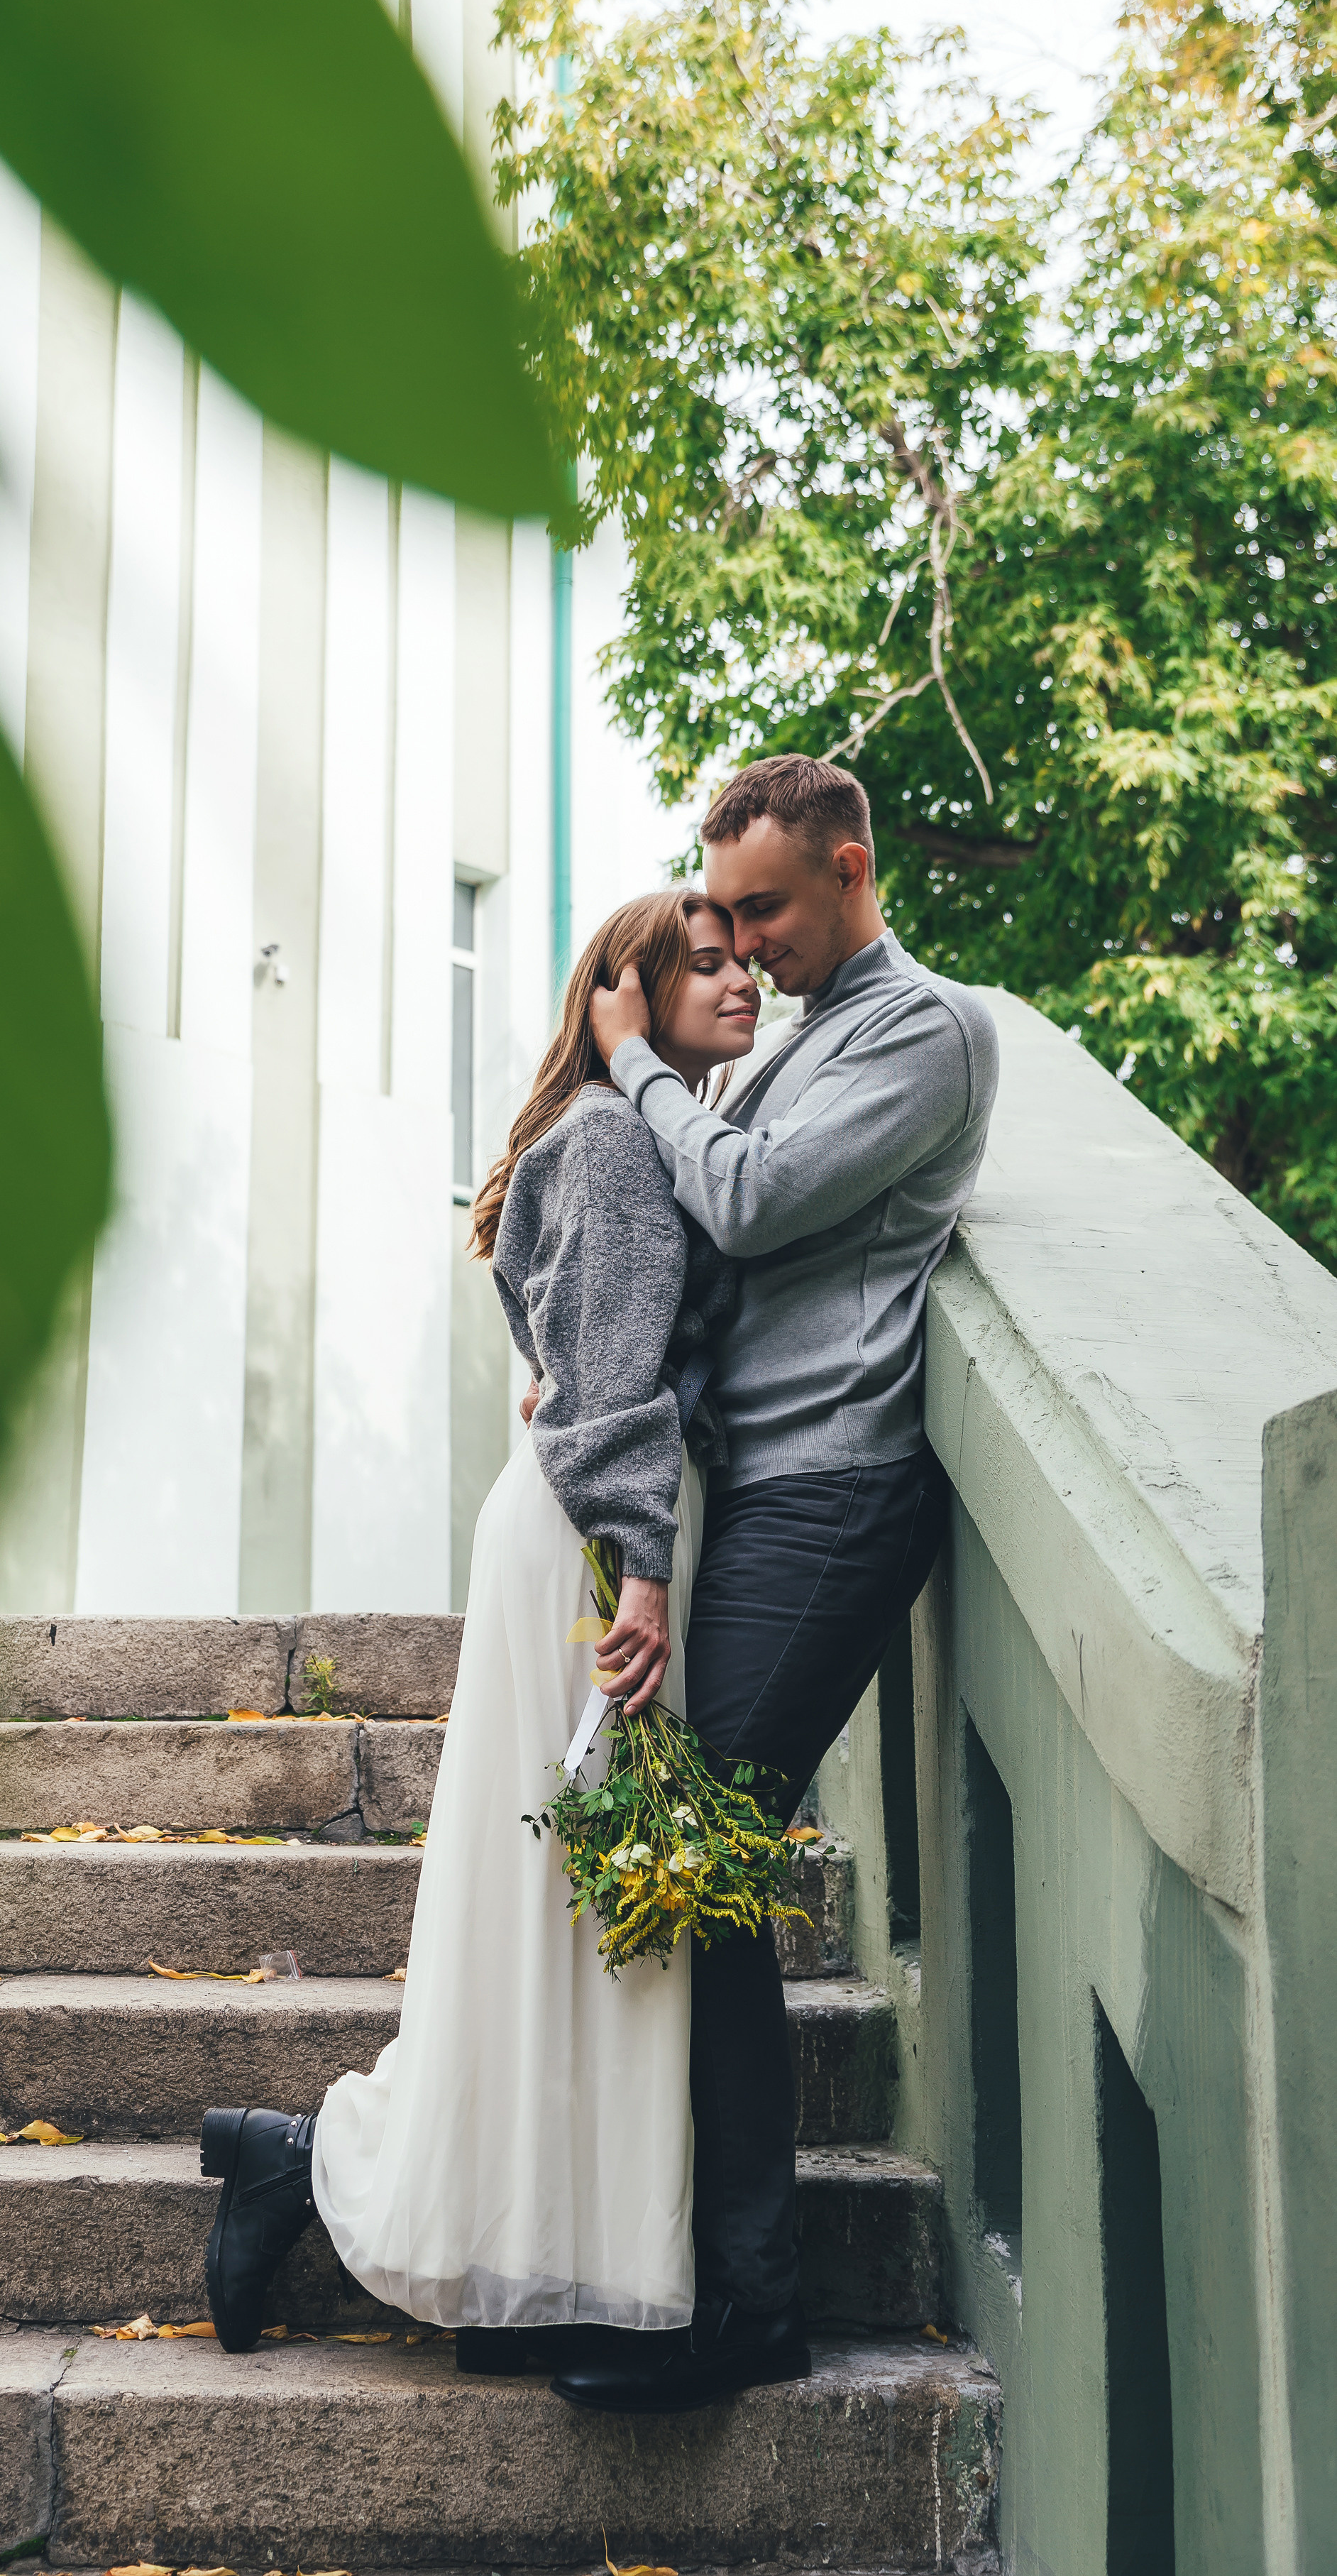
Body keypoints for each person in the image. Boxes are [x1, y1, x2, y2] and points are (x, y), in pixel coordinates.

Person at [197, 889, 761, 2373]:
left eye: (742, 957)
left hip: (580, 1523)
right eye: (700, 962)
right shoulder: (618, 1137)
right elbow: (613, 1382)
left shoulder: (624, 1137)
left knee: (581, 1912)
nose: (740, 979)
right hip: (596, 1548)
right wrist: (640, 1564)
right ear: (618, 998)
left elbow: (584, 1358)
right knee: (588, 1908)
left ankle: (524, 2239)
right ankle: (342, 2168)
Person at [542, 752, 1001, 2416]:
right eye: (718, 914)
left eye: (764, 909)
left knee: (715, 1856)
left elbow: (731, 1205)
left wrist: (623, 1064)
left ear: (851, 868)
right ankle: (684, 2272)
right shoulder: (797, 1042)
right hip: (756, 1498)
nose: (740, 942)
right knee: (686, 1865)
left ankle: (746, 2309)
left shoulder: (926, 1033)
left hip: (840, 1500)